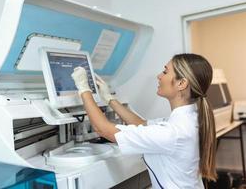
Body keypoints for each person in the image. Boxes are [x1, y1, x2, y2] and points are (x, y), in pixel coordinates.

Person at [71, 53, 217, 189]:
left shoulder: (174, 132)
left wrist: (84, 88)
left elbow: (103, 129)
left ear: (181, 84)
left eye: (165, 72)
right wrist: (109, 98)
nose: (159, 76)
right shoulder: (189, 118)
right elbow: (141, 124)